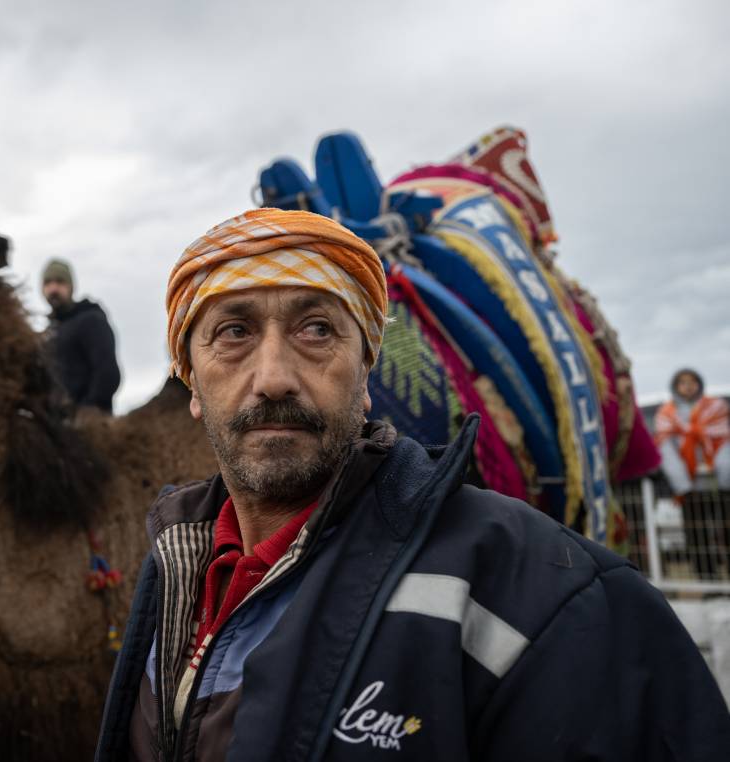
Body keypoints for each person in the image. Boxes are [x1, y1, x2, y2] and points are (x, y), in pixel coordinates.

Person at [95, 209, 730, 761]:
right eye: (233, 332)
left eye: (316, 329)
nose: (274, 377)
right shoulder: (174, 569)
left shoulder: (544, 596)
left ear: (366, 371)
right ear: (193, 386)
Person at [655, 368, 730, 576]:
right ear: (676, 386)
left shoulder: (717, 408)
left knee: (725, 527)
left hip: (721, 483)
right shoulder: (667, 414)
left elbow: (725, 441)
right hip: (689, 486)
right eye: (682, 382)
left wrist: (725, 475)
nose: (688, 386)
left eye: (692, 381)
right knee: (697, 533)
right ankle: (707, 576)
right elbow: (666, 449)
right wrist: (682, 485)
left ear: (699, 384)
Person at [41, 258, 122, 415]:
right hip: (55, 427)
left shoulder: (90, 320)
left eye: (59, 282)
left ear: (71, 286)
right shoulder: (49, 332)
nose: (53, 288)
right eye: (48, 283)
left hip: (91, 427)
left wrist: (87, 412)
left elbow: (108, 373)